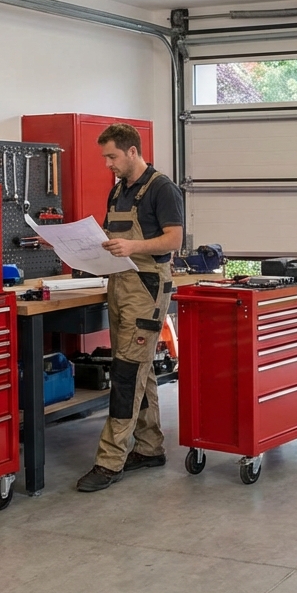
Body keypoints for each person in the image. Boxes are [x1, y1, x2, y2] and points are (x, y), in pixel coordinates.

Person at [76, 123, 184, 492]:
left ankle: (109, 461)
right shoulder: (119, 190)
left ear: (133, 151)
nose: (108, 164)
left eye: (112, 156)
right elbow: (115, 238)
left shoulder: (162, 188)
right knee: (140, 369)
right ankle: (151, 448)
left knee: (124, 374)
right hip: (119, 285)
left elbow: (174, 238)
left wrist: (132, 247)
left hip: (147, 288)